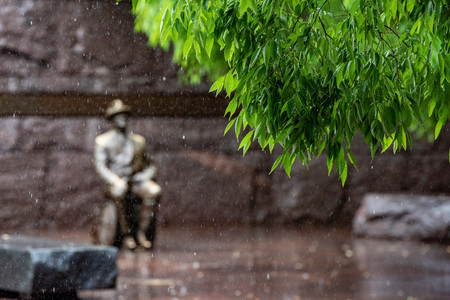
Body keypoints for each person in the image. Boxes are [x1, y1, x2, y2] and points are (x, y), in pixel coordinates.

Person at [94, 99, 161, 250]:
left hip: (136, 181)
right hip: (115, 183)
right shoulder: (103, 141)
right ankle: (126, 235)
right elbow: (100, 166)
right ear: (112, 119)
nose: (122, 119)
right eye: (118, 116)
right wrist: (115, 180)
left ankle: (142, 233)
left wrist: (145, 176)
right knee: (120, 192)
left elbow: (151, 165)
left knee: (154, 191)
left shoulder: (138, 141)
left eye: (124, 115)